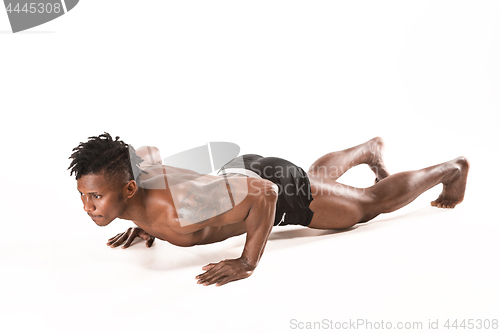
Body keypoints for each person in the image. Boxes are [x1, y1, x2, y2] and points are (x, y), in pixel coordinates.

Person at [68, 133, 469, 286]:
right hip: (238, 177)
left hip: (272, 187)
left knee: (367, 205)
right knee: (316, 179)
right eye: (85, 195)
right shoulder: (131, 177)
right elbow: (145, 152)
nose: (88, 207)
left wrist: (247, 261)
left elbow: (264, 194)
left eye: (96, 198)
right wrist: (140, 220)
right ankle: (367, 149)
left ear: (129, 186)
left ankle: (450, 170)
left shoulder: (181, 210)